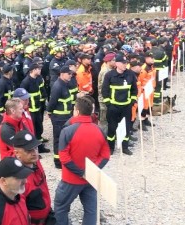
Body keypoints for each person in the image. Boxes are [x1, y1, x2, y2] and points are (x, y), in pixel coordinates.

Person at [54, 97, 111, 225]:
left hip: (71, 179)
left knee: (60, 206)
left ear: (77, 111)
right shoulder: (99, 130)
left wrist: (80, 172)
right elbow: (106, 155)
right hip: (91, 178)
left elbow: (63, 156)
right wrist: (92, 169)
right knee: (91, 210)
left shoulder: (67, 131)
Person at [12, 130, 54, 225]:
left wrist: (49, 211)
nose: (34, 153)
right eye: (28, 150)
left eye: (35, 148)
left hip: (47, 217)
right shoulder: (15, 177)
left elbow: (43, 188)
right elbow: (17, 212)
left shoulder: (35, 162)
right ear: (17, 153)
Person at [102, 54, 137, 155]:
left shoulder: (130, 74)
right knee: (112, 128)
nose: (125, 65)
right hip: (113, 107)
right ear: (117, 63)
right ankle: (110, 148)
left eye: (126, 63)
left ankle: (124, 147)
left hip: (126, 107)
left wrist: (132, 101)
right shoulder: (109, 75)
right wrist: (109, 103)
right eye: (123, 63)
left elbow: (134, 90)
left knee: (126, 127)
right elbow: (105, 90)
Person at [97, 52, 116, 132]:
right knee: (103, 120)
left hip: (107, 98)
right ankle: (102, 137)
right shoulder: (106, 72)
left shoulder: (109, 70)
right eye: (114, 60)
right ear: (109, 61)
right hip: (104, 99)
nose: (115, 62)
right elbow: (105, 87)